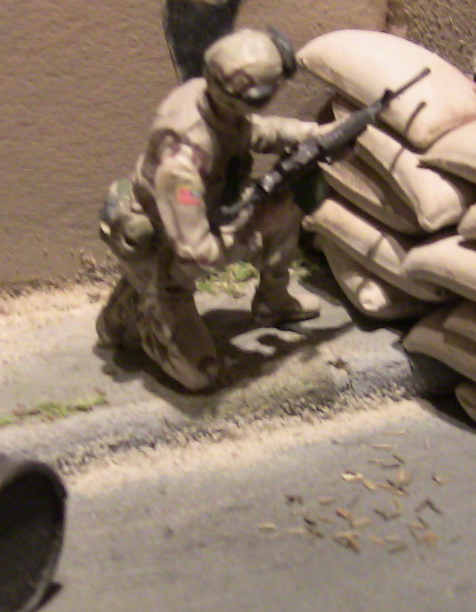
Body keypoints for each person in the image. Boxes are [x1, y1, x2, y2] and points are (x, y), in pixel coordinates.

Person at [97, 28, 324, 391]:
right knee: (200, 375)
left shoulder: (213, 101)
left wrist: (312, 134)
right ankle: (137, 310)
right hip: (166, 241)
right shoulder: (183, 161)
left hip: (209, 209)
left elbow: (252, 132)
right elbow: (197, 256)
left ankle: (274, 300)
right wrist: (253, 230)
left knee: (287, 201)